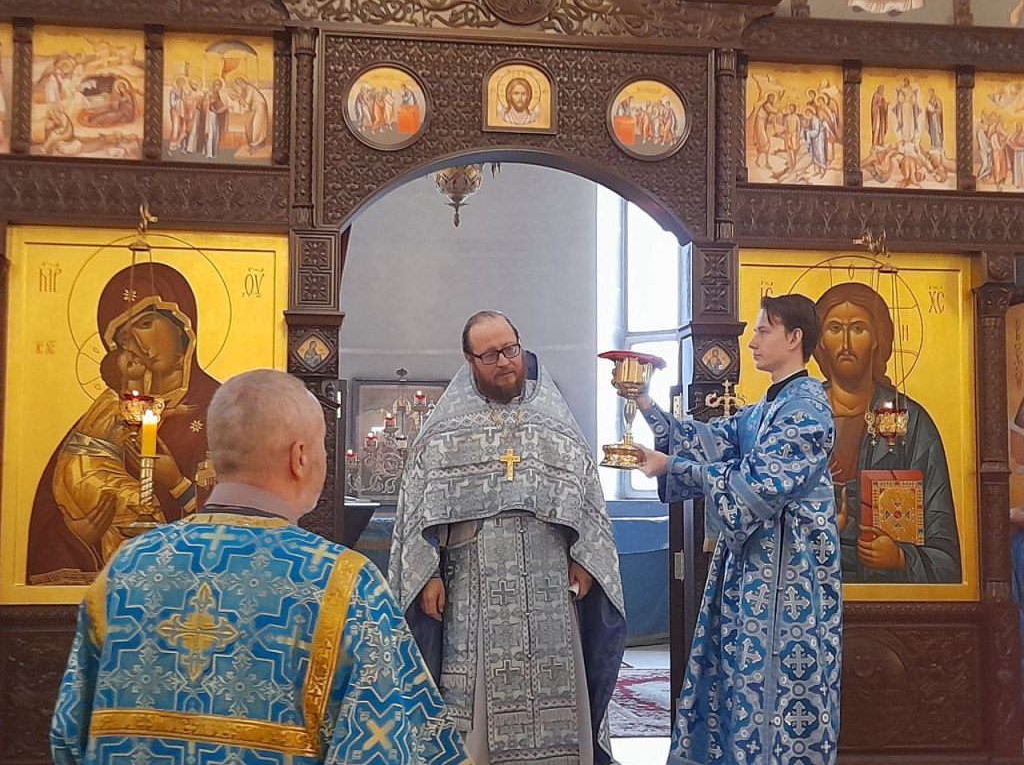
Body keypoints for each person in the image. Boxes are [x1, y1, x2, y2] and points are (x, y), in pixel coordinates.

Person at [50, 369, 470, 765]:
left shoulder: (124, 570)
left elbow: (68, 735)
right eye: (323, 446)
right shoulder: (344, 585)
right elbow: (386, 747)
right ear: (300, 457)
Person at [390, 310, 626, 765]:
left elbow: (585, 492)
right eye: (491, 355)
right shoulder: (445, 428)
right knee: (476, 703)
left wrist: (584, 556)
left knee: (558, 690)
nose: (504, 362)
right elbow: (419, 504)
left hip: (549, 578)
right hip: (473, 579)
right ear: (469, 360)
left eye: (511, 349)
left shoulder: (552, 419)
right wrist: (429, 573)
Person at [633, 294, 842, 765]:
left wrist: (673, 466)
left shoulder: (807, 411)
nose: (752, 341)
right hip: (749, 578)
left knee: (784, 696)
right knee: (737, 688)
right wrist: (642, 400)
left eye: (764, 331)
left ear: (794, 338)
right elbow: (707, 439)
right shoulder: (766, 408)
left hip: (792, 585)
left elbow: (759, 486)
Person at [28, 263, 221, 584]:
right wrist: (78, 533)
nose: (140, 348)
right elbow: (51, 514)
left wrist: (177, 484)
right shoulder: (108, 415)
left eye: (146, 324)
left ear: (183, 325)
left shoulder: (225, 411)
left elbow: (242, 520)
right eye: (124, 338)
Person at [814, 282, 961, 584]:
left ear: (876, 339)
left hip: (888, 593)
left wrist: (901, 557)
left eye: (858, 329)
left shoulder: (913, 423)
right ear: (820, 341)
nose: (845, 344)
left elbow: (946, 556)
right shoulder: (799, 416)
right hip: (809, 587)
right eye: (834, 328)